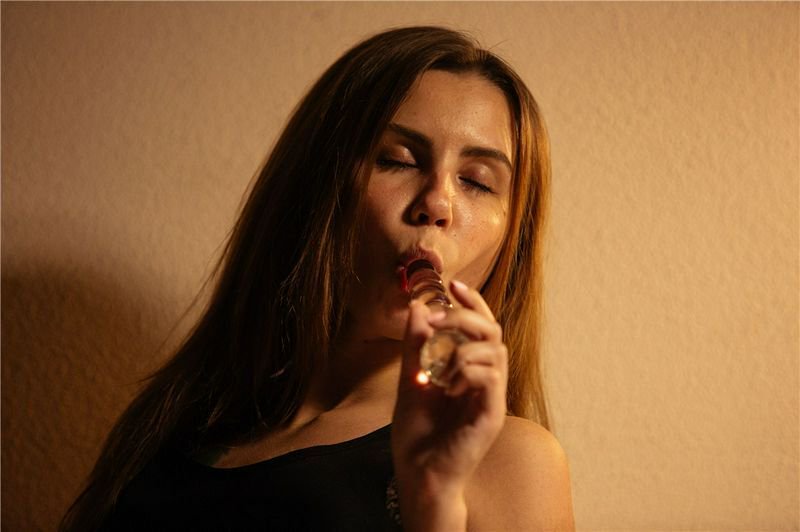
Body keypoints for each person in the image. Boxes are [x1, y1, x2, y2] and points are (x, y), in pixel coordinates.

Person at [61, 26, 574, 531]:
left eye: (477, 182)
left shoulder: (508, 461)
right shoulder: (178, 422)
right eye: (396, 160)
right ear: (316, 188)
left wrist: (432, 500)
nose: (437, 202)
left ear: (512, 239)